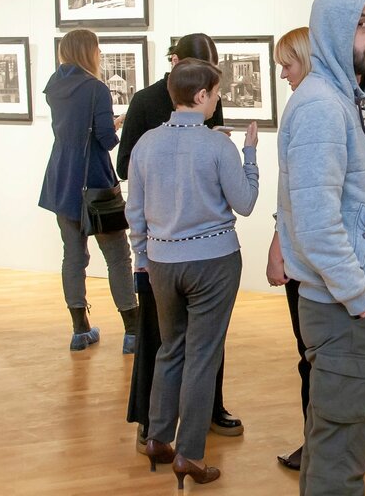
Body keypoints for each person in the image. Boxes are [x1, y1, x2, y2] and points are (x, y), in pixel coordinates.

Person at [276, 0, 365, 496]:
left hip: (346, 304)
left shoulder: (340, 99)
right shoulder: (322, 106)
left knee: (343, 443)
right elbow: (317, 219)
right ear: (331, 31)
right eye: (363, 25)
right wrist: (359, 297)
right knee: (339, 454)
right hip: (343, 308)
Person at [126, 59, 260, 489]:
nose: (216, 100)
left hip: (163, 262)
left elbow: (136, 211)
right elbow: (246, 202)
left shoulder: (146, 144)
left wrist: (141, 256)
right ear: (201, 96)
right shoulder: (218, 146)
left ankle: (159, 438)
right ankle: (190, 455)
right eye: (216, 94)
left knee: (171, 349)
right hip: (214, 262)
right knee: (203, 356)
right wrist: (250, 154)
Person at [39, 28, 138, 353]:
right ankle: (133, 330)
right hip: (93, 180)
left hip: (60, 179)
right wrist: (119, 123)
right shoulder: (95, 87)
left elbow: (76, 126)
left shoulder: (55, 86)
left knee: (73, 255)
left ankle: (80, 329)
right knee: (118, 257)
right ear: (89, 52)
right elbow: (105, 140)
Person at [265, 26, 314, 471]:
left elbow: (298, 191)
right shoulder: (339, 105)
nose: (283, 74)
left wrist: (279, 241)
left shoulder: (309, 109)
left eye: (288, 64)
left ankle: (320, 445)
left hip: (309, 257)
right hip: (312, 253)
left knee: (311, 356)